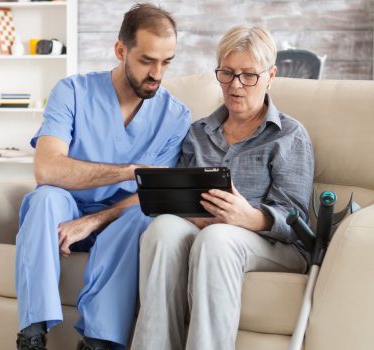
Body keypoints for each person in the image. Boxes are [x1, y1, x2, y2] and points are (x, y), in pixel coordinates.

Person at [15, 4, 191, 350]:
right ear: (120, 50)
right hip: (63, 212)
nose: (157, 73)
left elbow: (150, 193)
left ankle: (98, 342)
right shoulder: (73, 92)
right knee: (45, 196)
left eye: (166, 62)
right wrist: (129, 171)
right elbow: (47, 168)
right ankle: (32, 334)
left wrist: (93, 221)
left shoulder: (175, 117)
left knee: (144, 212)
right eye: (147, 60)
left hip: (119, 223)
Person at [131, 25, 314, 350]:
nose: (235, 85)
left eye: (248, 75)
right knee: (162, 230)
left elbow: (296, 221)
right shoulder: (197, 133)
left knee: (217, 238)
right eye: (227, 73)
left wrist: (251, 217)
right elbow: (178, 196)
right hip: (206, 232)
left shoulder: (289, 136)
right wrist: (186, 213)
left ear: (270, 76)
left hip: (270, 243)